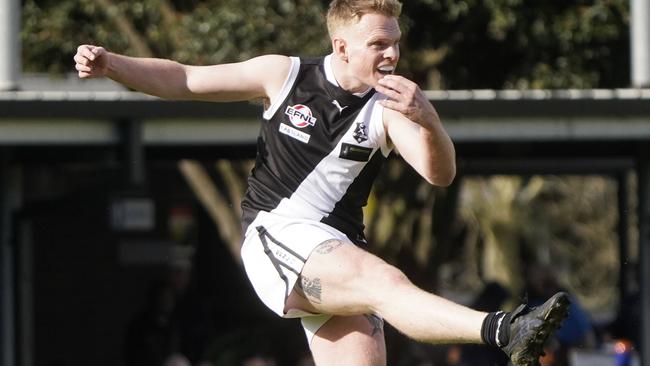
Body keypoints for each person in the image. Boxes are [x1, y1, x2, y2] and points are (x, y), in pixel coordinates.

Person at [74, 1, 570, 365]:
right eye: (379, 43)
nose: (392, 53)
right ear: (342, 46)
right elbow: (184, 79)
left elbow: (441, 175)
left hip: (337, 251)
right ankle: (504, 328)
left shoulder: (390, 109)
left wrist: (430, 120)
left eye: (395, 41)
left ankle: (506, 329)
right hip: (278, 234)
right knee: (386, 283)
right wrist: (113, 64)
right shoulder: (283, 74)